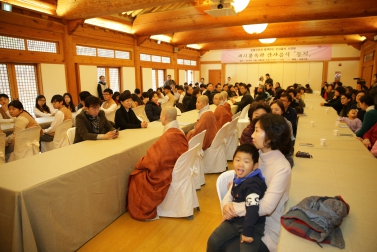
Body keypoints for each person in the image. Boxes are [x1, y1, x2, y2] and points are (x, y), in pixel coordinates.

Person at [221, 113, 292, 252]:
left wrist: (233, 209)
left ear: (270, 136)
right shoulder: (255, 156)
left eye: (257, 130)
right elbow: (236, 183)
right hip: (243, 220)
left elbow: (266, 207)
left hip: (265, 227)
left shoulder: (281, 168)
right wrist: (226, 204)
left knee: (228, 249)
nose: (252, 135)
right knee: (216, 242)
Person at [127, 106, 188, 221]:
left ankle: (142, 208)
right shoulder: (178, 130)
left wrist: (141, 163)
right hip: (177, 165)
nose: (160, 117)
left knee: (138, 176)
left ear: (164, 117)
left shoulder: (169, 135)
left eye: (160, 115)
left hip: (168, 169)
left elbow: (155, 159)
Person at [207, 144, 267, 252]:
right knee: (213, 240)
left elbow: (253, 209)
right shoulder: (239, 178)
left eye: (246, 161)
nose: (240, 164)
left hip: (252, 225)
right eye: (237, 160)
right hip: (234, 221)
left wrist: (247, 233)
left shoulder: (253, 184)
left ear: (255, 166)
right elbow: (230, 196)